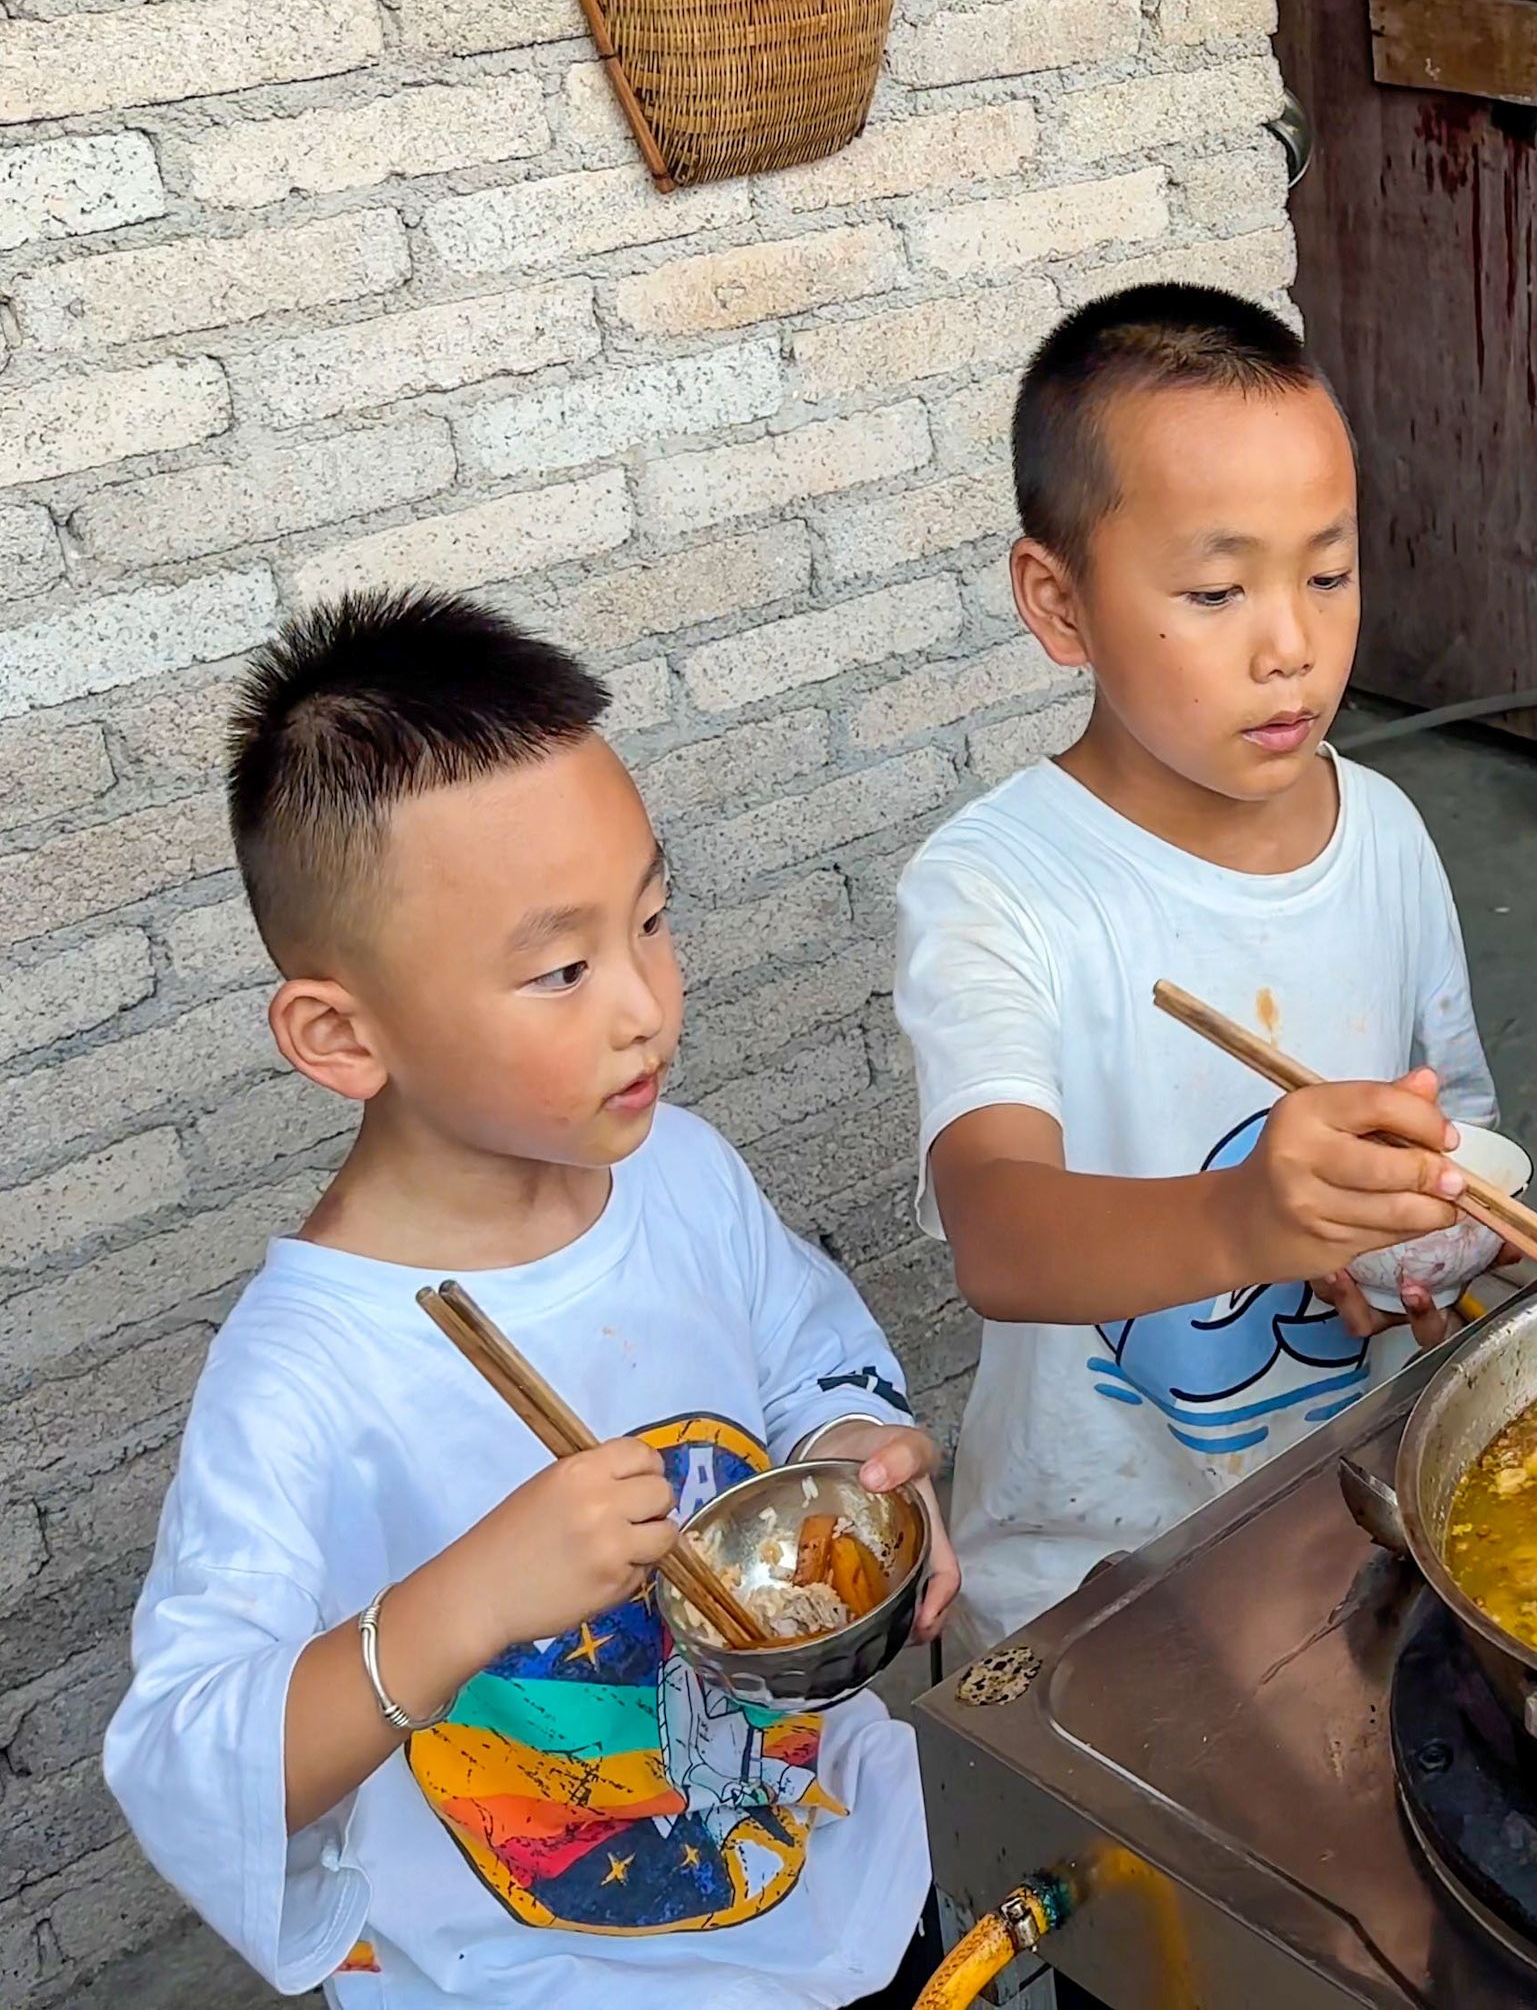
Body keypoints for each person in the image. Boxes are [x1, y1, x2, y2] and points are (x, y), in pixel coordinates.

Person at [105, 594, 958, 2008]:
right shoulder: (306, 1373)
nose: (644, 1003)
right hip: (541, 1972)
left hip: (837, 1882)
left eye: (652, 919)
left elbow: (816, 1362)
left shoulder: (679, 1173)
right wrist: (461, 1605)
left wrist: (850, 1472)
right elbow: (192, 1760)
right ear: (343, 1035)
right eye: (562, 969)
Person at [897, 284, 1495, 1661]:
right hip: (1089, 1587)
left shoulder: (1388, 836)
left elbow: (1452, 1127)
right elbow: (999, 1228)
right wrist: (1252, 1218)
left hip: (1352, 1528)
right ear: (1060, 602)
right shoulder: (997, 887)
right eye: (1218, 590)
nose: (1288, 642)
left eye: (1327, 574)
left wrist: (1420, 1227)